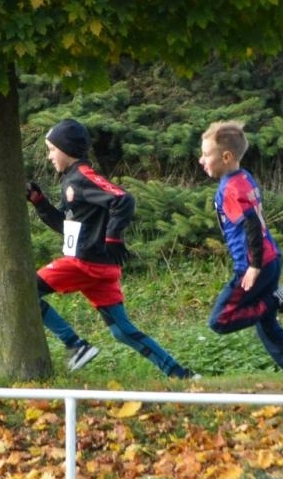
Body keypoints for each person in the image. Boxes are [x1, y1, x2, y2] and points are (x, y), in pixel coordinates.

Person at [28, 119, 193, 378]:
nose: (49, 156)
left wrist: (113, 236)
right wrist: (40, 204)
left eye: (51, 149)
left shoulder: (82, 177)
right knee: (122, 331)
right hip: (99, 266)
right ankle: (180, 374)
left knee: (26, 290)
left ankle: (76, 345)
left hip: (85, 263)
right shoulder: (70, 180)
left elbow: (123, 199)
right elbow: (68, 226)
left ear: (66, 148)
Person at [199, 121, 283, 371]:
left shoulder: (230, 188)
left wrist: (253, 266)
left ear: (227, 157)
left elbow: (251, 224)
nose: (202, 160)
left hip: (255, 265)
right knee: (267, 328)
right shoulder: (243, 177)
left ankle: (276, 301)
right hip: (270, 259)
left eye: (207, 154)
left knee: (219, 320)